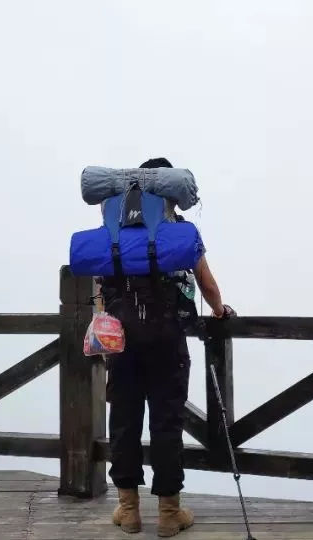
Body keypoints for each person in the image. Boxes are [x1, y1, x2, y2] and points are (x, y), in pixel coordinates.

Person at [100, 157, 231, 537]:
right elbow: (205, 283)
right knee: (167, 424)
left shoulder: (114, 230)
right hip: (168, 341)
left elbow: (100, 285)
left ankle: (128, 511)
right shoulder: (180, 232)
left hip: (121, 343)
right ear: (170, 193)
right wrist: (220, 310)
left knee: (123, 422)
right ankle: (169, 515)